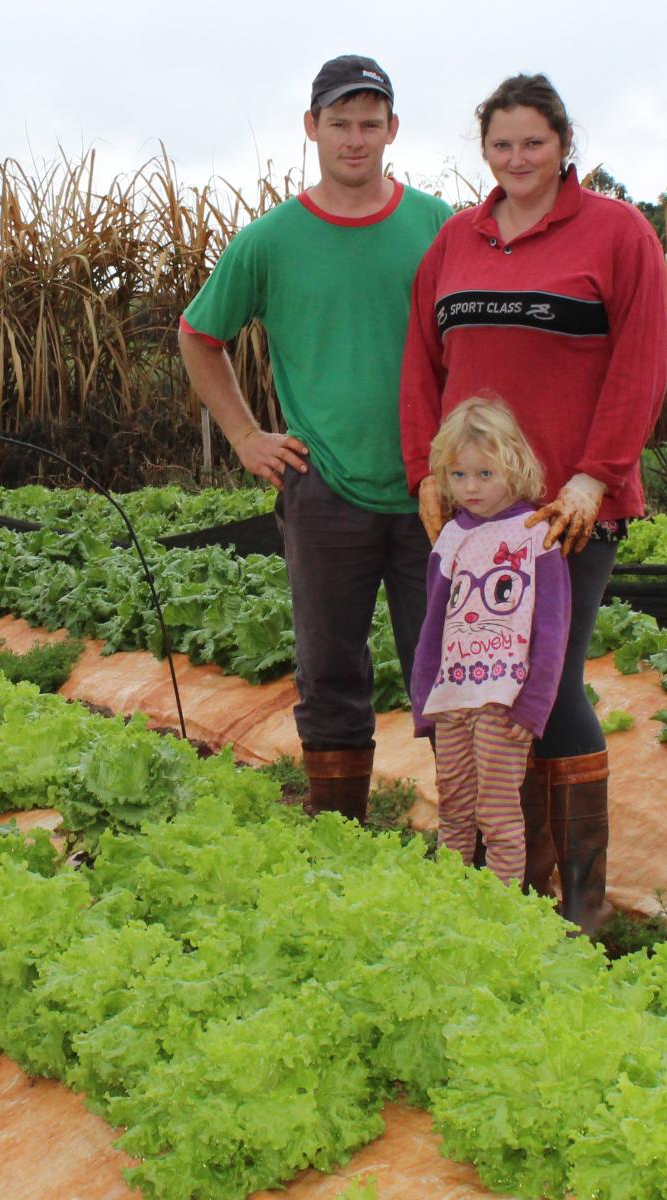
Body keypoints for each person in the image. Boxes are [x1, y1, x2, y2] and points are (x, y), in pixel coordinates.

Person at [400, 73, 667, 931]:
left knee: (544, 685)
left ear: (563, 146)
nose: (517, 159)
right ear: (485, 150)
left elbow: (641, 362)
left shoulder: (615, 232)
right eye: (501, 145)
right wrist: (426, 475)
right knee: (475, 684)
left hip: (561, 514)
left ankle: (579, 902)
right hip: (474, 517)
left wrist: (595, 474)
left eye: (534, 144)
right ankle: (506, 878)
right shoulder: (456, 241)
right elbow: (421, 366)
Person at [180, 54, 451, 821]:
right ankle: (339, 831)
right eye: (340, 123)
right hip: (324, 486)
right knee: (329, 669)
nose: (355, 139)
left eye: (371, 123)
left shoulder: (438, 226)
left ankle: (469, 840)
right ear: (312, 129)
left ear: (392, 130)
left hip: (433, 489)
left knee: (446, 669)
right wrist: (244, 436)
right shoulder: (271, 240)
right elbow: (200, 335)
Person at [407, 397, 568, 885]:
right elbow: (434, 623)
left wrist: (534, 705)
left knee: (497, 815)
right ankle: (452, 902)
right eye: (458, 476)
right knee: (452, 805)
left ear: (514, 469)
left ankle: (500, 913)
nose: (470, 488)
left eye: (484, 474)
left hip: (502, 700)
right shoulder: (451, 537)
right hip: (454, 697)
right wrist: (423, 701)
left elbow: (552, 629)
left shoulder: (535, 535)